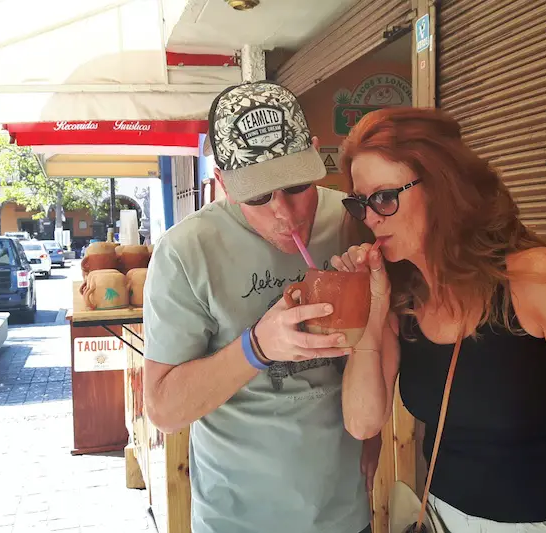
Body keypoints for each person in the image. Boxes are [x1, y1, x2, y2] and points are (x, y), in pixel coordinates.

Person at [331, 107, 546, 533]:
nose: (372, 218)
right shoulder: (400, 300)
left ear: (440, 186)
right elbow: (362, 421)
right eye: (359, 203)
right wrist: (372, 308)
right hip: (441, 517)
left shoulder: (533, 277)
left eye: (383, 197)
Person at [142, 81, 380, 533]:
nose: (286, 214)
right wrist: (256, 348)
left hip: (344, 514)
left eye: (295, 185)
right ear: (222, 185)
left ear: (315, 157)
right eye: (258, 196)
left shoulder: (352, 220)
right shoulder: (187, 253)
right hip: (236, 519)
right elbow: (164, 408)